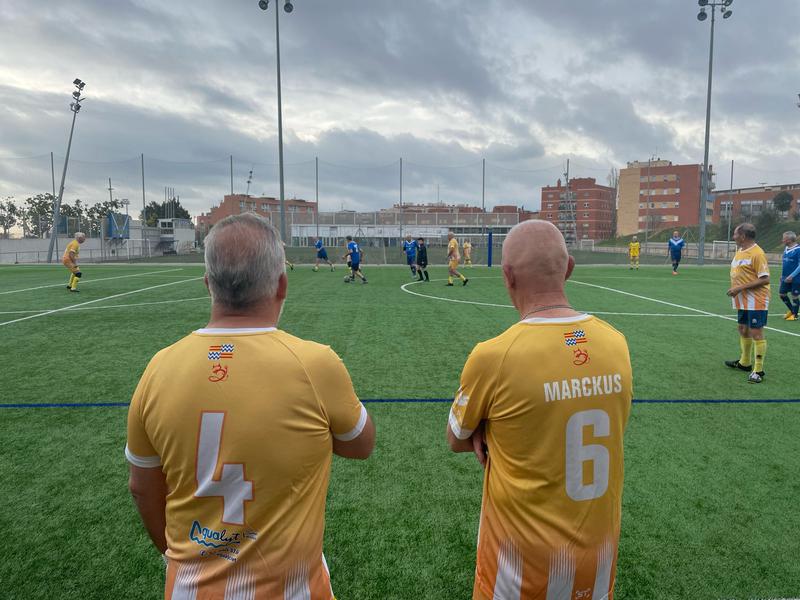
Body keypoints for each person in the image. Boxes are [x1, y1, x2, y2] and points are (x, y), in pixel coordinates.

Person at [125, 213, 375, 599]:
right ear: (282, 285)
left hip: (189, 588)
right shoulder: (315, 364)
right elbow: (361, 445)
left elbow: (142, 489)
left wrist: (176, 555)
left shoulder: (158, 368)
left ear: (208, 284)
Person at [447, 219, 632, 600]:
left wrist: (484, 430)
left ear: (508, 276)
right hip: (597, 565)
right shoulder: (616, 345)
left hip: (518, 575)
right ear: (569, 268)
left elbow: (456, 437)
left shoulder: (494, 355)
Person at [724, 223, 770, 383]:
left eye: (735, 234)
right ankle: (745, 363)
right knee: (743, 329)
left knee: (756, 332)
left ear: (743, 236)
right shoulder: (740, 251)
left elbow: (765, 279)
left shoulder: (757, 253)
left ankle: (758, 370)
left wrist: (739, 288)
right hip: (742, 299)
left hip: (756, 299)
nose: (734, 237)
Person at [778, 231, 800, 321]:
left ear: (789, 240)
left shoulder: (798, 249)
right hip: (785, 277)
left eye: (784, 238)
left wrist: (792, 276)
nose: (782, 240)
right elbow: (784, 263)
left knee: (794, 295)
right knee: (782, 294)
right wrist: (781, 275)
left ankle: (795, 315)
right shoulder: (786, 248)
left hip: (796, 277)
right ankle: (792, 311)